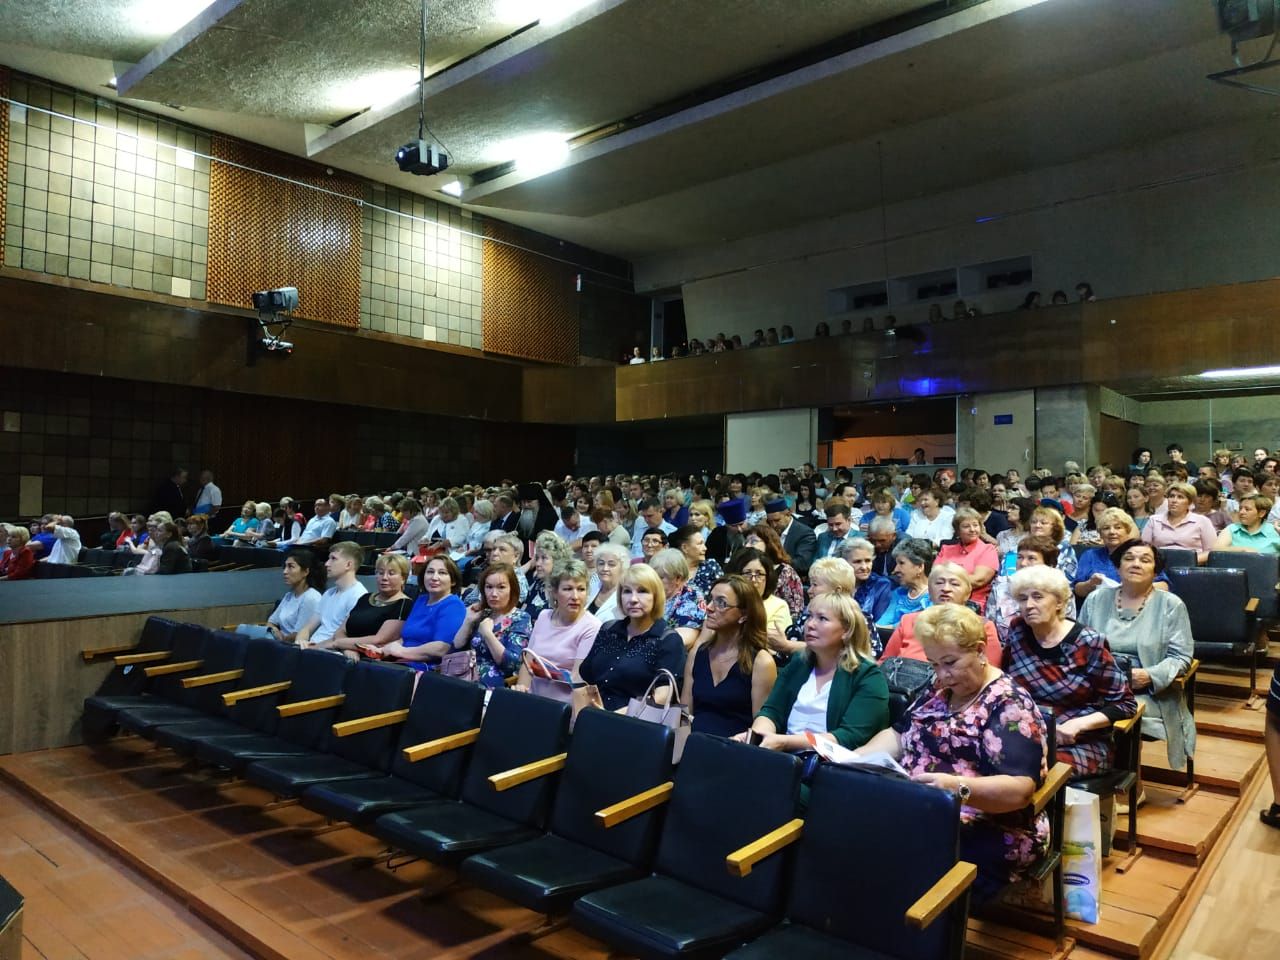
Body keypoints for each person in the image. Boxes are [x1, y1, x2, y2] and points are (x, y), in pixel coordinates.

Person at [853, 604, 1049, 904]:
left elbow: (1020, 790)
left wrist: (956, 788)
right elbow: (899, 733)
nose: (942, 675)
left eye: (950, 662)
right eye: (934, 664)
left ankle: (910, 923)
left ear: (980, 650)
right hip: (922, 805)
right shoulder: (941, 688)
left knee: (887, 850)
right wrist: (858, 756)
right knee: (849, 825)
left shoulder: (1009, 704)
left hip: (989, 822)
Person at [1004, 566, 1136, 775]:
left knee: (1027, 769)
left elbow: (1125, 704)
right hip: (1027, 732)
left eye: (1037, 597)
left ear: (1059, 602)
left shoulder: (1088, 642)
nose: (1028, 605)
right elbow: (1004, 683)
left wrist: (1077, 725)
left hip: (1079, 742)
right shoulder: (1018, 629)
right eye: (1022, 598)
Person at [1078, 541, 1195, 770]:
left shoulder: (1171, 605)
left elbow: (1181, 657)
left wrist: (1149, 675)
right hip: (1097, 684)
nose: (1136, 564)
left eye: (1145, 560)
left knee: (1111, 715)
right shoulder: (1096, 598)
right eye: (1129, 558)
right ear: (1118, 566)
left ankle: (1125, 782)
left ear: (1155, 571)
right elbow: (1078, 646)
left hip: (1147, 691)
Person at [738, 591, 889, 751]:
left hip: (830, 762)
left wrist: (785, 742)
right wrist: (756, 738)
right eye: (809, 616)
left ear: (847, 630)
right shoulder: (799, 663)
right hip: (783, 755)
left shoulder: (868, 676)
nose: (810, 624)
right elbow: (771, 711)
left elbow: (849, 737)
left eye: (822, 618)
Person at [579, 564, 684, 711]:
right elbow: (586, 676)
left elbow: (663, 696)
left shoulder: (668, 640)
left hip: (635, 720)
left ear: (656, 596)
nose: (633, 599)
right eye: (627, 591)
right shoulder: (608, 629)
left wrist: (617, 715)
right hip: (594, 713)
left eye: (642, 591)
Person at [684, 575, 777, 738]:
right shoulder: (697, 654)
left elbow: (760, 729)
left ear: (744, 615)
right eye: (710, 599)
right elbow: (684, 715)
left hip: (734, 748)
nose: (709, 608)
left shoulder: (761, 662)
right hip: (694, 744)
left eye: (721, 603)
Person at [880, 563, 1002, 666]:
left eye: (954, 584)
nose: (946, 589)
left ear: (967, 593)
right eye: (939, 583)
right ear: (929, 590)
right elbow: (885, 662)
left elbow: (991, 671)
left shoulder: (983, 626)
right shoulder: (908, 621)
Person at [443, 562, 533, 688]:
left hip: (493, 687)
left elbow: (511, 664)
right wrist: (467, 622)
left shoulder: (521, 618)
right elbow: (454, 650)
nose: (493, 593)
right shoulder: (482, 614)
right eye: (489, 587)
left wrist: (488, 634)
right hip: (464, 678)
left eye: (501, 587)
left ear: (512, 589)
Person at [517, 560, 602, 689]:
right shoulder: (544, 616)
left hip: (564, 700)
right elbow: (528, 663)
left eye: (581, 589)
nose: (575, 596)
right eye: (568, 589)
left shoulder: (592, 626)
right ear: (554, 592)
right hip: (532, 696)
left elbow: (577, 680)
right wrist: (520, 692)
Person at [374, 555, 467, 669]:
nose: (434, 577)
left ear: (453, 581)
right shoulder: (421, 600)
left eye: (442, 573)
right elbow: (406, 638)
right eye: (430, 572)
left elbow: (441, 648)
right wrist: (383, 650)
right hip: (401, 662)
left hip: (426, 669)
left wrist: (401, 652)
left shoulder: (453, 605)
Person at [318, 554, 414, 659]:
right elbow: (341, 631)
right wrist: (347, 648)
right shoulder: (365, 597)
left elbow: (379, 640)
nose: (384, 578)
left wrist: (339, 644)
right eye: (380, 573)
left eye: (391, 573)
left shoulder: (404, 604)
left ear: (403, 578)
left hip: (370, 659)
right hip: (344, 651)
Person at [1074, 508, 1168, 599]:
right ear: (1100, 534)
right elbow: (1078, 590)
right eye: (1106, 528)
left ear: (1127, 531)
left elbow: (1164, 586)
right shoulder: (1090, 555)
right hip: (1099, 604)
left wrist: (1133, 588)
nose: (1112, 532)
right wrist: (1090, 584)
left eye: (1118, 527)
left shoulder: (1142, 553)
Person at [235, 548, 324, 643]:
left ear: (306, 572)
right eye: (285, 567)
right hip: (278, 641)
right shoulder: (289, 595)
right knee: (242, 631)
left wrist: (279, 637)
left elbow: (299, 635)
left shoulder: (311, 598)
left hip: (292, 646)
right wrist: (274, 631)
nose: (285, 571)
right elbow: (271, 622)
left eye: (291, 567)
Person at [296, 542, 369, 648]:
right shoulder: (328, 593)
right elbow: (307, 628)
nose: (327, 564)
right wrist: (300, 640)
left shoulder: (359, 596)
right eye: (328, 558)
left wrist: (313, 647)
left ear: (348, 565)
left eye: (333, 559)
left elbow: (343, 639)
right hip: (313, 647)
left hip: (331, 651)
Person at [726, 547, 794, 656]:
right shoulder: (725, 601)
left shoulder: (779, 606)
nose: (753, 580)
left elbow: (770, 645)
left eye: (759, 574)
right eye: (747, 573)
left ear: (768, 577)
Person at [936, 507, 999, 607]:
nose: (972, 530)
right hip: (943, 601)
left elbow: (978, 580)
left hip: (972, 604)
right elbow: (935, 576)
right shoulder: (946, 549)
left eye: (975, 525)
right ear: (957, 531)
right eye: (966, 526)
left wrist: (946, 582)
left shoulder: (988, 550)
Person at [1141, 480, 1216, 562]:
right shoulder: (1154, 520)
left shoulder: (1202, 521)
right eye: (1171, 496)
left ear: (1190, 502)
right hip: (1159, 564)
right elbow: (1143, 547)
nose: (1174, 500)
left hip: (1190, 565)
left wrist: (1189, 561)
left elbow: (1211, 551)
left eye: (1180, 497)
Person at [742, 523, 804, 616]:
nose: (747, 545)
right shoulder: (741, 567)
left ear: (769, 544)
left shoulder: (785, 571)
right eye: (746, 542)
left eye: (753, 541)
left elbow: (795, 610)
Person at [650, 549, 707, 649]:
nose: (653, 581)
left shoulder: (692, 597)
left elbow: (684, 639)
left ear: (678, 578)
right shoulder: (650, 593)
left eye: (660, 577)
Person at [875, 537, 934, 628]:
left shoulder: (935, 597)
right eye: (896, 564)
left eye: (901, 563)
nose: (895, 570)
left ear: (919, 567)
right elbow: (882, 623)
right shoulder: (898, 593)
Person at [839, 538, 894, 624]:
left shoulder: (881, 585)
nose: (864, 567)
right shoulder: (834, 583)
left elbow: (878, 622)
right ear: (843, 563)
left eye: (868, 561)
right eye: (857, 562)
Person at [764, 498, 818, 577]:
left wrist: (775, 566)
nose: (773, 525)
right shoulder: (768, 531)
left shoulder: (805, 533)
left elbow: (802, 564)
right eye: (770, 522)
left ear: (788, 514)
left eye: (777, 520)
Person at [1215, 493, 1280, 554]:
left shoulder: (1275, 531)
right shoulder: (1232, 528)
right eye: (1240, 508)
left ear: (1261, 513)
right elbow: (1215, 550)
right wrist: (1243, 550)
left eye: (1247, 509)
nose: (1241, 512)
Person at [668, 524, 722, 597]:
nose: (705, 548)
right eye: (700, 544)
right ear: (684, 548)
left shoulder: (710, 566)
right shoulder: (670, 571)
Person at [1028, 504, 1077, 580]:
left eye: (1043, 523)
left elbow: (1068, 578)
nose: (1037, 525)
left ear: (1055, 527)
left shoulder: (1064, 548)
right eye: (1033, 522)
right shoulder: (1025, 545)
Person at [588, 542, 628, 622]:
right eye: (601, 563)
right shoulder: (590, 587)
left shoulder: (626, 593)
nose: (605, 568)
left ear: (622, 568)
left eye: (611, 564)